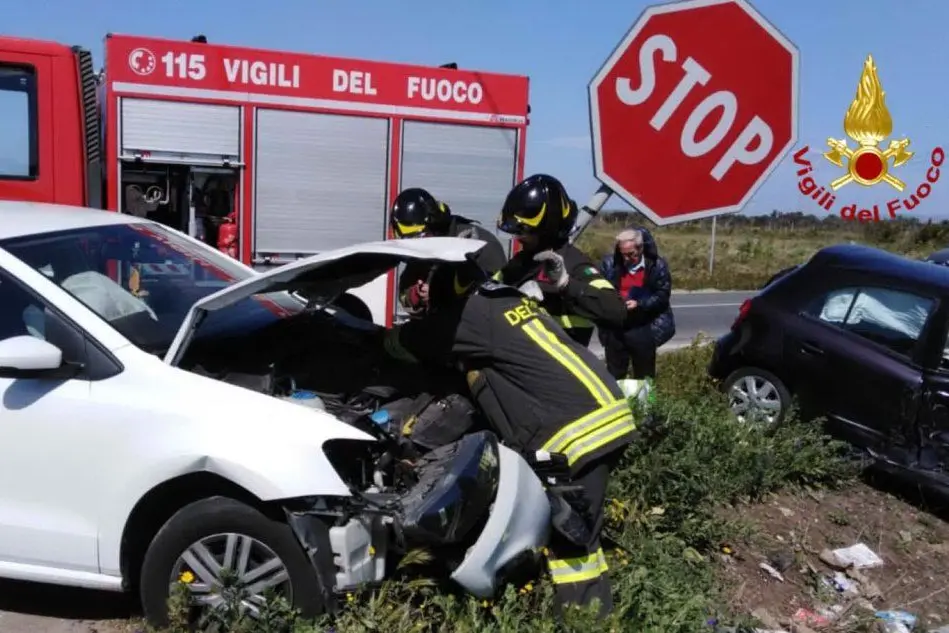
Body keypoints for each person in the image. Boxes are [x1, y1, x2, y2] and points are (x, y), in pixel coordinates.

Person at [382, 260, 636, 619]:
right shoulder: (499, 301)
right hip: (599, 412)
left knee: (572, 540)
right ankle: (570, 614)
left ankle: (586, 620)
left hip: (575, 430)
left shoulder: (468, 317)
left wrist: (370, 336)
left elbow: (407, 343)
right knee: (570, 529)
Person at [494, 174, 626, 347]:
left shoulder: (573, 263)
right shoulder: (521, 262)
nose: (519, 238)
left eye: (525, 232)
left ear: (547, 229)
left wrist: (566, 284)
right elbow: (491, 291)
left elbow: (617, 311)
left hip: (558, 369)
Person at [389, 187, 508, 317]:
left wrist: (437, 294)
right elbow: (405, 293)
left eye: (418, 237)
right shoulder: (423, 248)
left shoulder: (476, 243)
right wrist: (416, 295)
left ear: (433, 224)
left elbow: (496, 296)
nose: (415, 244)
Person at [596, 228, 674, 381]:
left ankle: (649, 404)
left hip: (643, 327)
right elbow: (599, 291)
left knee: (645, 377)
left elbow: (662, 295)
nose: (626, 259)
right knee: (614, 376)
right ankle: (618, 403)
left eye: (630, 254)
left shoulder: (657, 266)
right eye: (622, 254)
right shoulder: (609, 263)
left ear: (641, 248)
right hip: (616, 328)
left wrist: (640, 304)